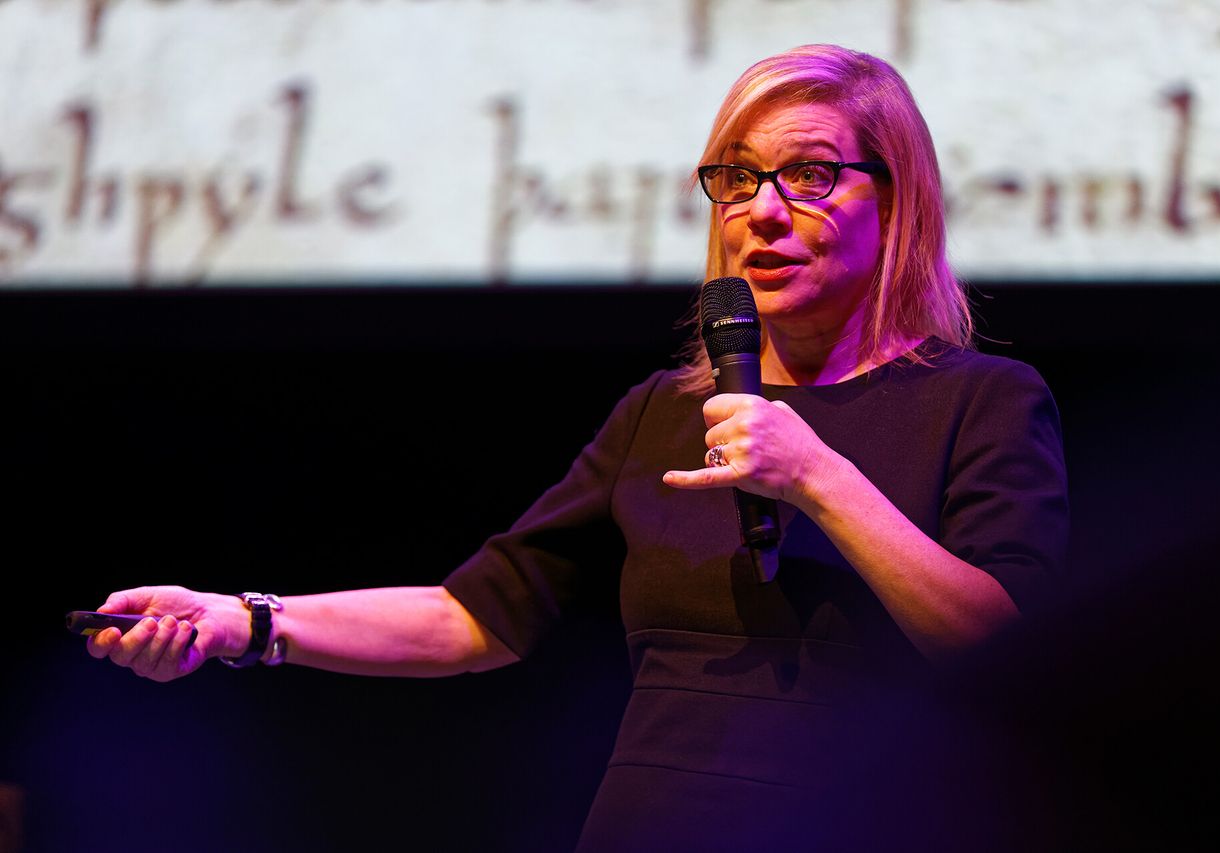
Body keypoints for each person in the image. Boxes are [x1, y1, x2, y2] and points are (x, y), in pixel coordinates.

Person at [85, 44, 1068, 851]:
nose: (764, 210)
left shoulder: (981, 401)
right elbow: (476, 617)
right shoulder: (661, 413)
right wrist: (243, 621)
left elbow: (1012, 647)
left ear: (897, 200)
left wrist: (816, 475)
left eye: (809, 174)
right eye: (737, 178)